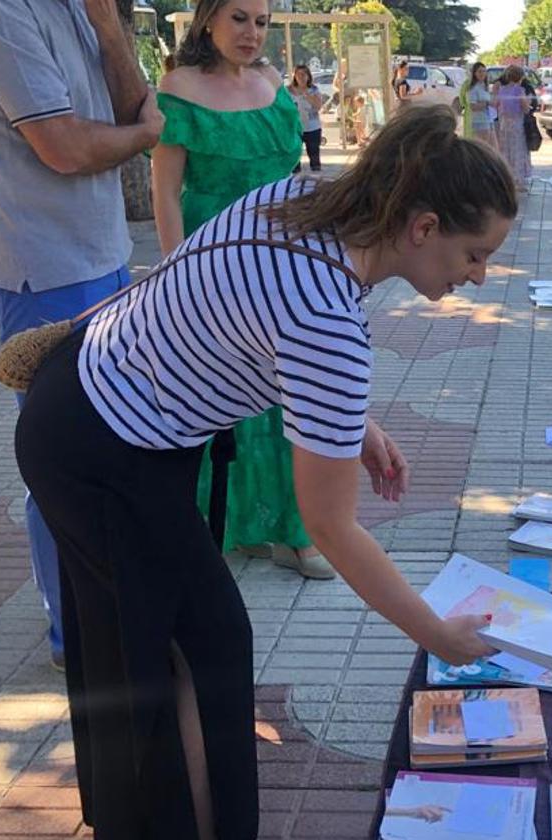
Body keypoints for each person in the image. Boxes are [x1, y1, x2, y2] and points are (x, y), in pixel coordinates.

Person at [14, 106, 514, 838]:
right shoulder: (329, 324)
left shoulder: (300, 204)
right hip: (101, 449)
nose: (479, 275)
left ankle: (139, 815)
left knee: (163, 642)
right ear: (424, 227)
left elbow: (246, 314)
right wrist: (435, 634)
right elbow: (331, 528)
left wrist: (356, 424)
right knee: (198, 651)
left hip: (85, 403)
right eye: (475, 254)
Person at [0, 0, 163, 671]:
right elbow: (66, 147)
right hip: (42, 267)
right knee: (69, 455)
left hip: (98, 252)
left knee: (114, 444)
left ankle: (106, 607)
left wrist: (105, 23)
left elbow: (131, 109)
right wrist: (147, 137)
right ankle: (78, 631)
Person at [153, 0, 335, 579]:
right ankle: (219, 528)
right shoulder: (178, 86)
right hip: (210, 270)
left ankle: (291, 533)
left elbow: (289, 180)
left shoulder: (273, 82)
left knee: (288, 394)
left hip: (279, 266)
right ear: (207, 19)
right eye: (239, 18)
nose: (252, 32)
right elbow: (165, 194)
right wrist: (176, 277)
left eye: (261, 21)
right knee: (214, 399)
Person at [494, 65, 533, 191]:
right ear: (520, 77)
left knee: (505, 151)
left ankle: (506, 179)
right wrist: (529, 101)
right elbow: (525, 108)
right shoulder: (519, 90)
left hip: (504, 125)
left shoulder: (502, 89)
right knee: (518, 151)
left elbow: (496, 105)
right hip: (516, 124)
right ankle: (518, 181)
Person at [288, 64, 324, 172]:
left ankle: (316, 177)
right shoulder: (287, 91)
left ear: (308, 76)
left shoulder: (314, 90)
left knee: (313, 153)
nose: (301, 77)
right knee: (294, 154)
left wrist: (307, 95)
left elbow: (318, 106)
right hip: (295, 127)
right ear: (294, 76)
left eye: (304, 74)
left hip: (312, 127)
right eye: (298, 74)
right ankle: (295, 177)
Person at [459, 61, 496, 148]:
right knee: (482, 147)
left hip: (488, 120)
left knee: (490, 147)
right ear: (474, 73)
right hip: (479, 121)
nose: (482, 74)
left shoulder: (484, 86)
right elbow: (473, 106)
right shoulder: (472, 88)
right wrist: (487, 104)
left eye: (484, 71)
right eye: (479, 71)